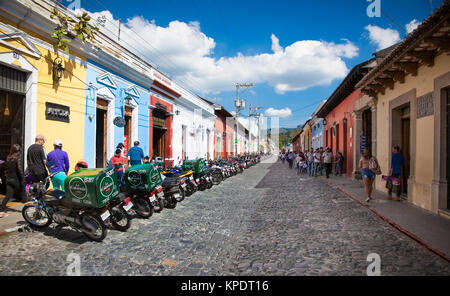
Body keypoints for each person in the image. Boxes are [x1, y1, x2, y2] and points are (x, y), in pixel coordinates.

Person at [0, 144, 25, 218]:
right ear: (18, 151)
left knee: (8, 195)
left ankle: (2, 210)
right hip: (15, 179)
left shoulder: (8, 157)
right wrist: (23, 179)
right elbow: (19, 169)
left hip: (9, 179)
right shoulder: (17, 158)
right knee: (23, 193)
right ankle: (28, 207)